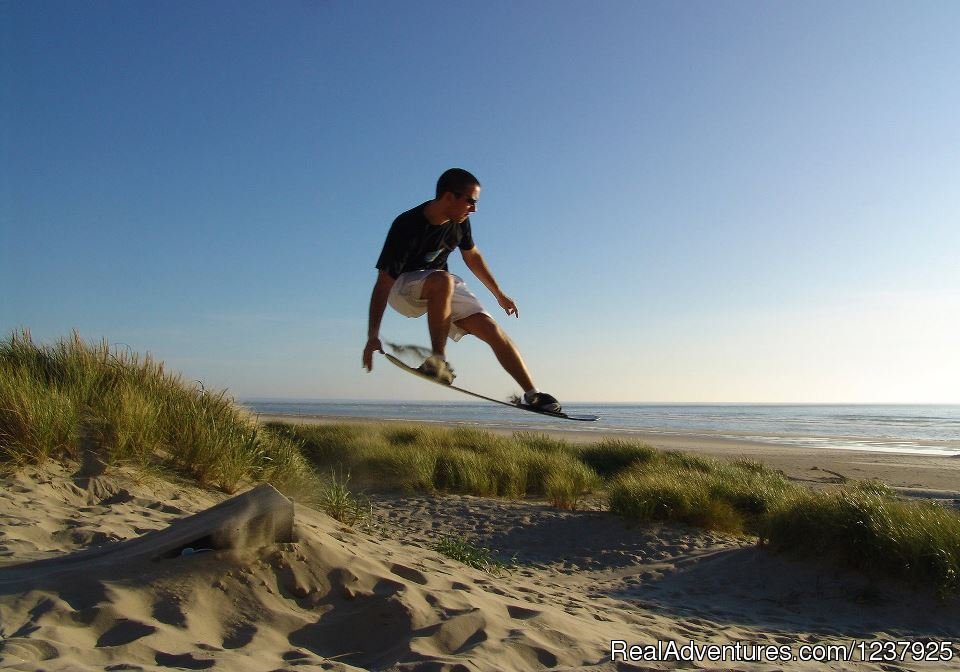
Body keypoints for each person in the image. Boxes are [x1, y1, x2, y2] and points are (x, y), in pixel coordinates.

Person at [362, 168, 561, 413]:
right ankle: (438, 363)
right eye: (470, 201)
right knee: (443, 280)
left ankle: (533, 395)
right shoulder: (407, 225)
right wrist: (373, 334)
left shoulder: (460, 222)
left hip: (438, 286)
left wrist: (498, 294)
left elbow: (472, 256)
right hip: (401, 288)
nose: (474, 209)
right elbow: (383, 283)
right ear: (448, 197)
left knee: (491, 329)